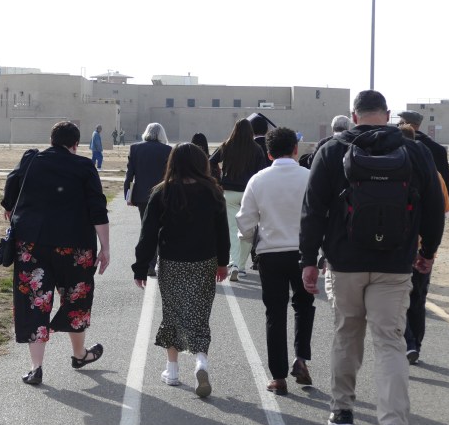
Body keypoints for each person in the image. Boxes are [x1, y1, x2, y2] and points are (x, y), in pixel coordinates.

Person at [300, 90, 445, 425]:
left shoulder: (332, 150)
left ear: (354, 114)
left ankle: (343, 410)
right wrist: (427, 252)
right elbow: (432, 208)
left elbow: (313, 209)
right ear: (388, 113)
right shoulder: (414, 151)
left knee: (347, 333)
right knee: (391, 342)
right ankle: (393, 424)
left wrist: (308, 260)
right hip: (395, 264)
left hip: (345, 262)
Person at [2, 121, 111, 386]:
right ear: (75, 144)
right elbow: (98, 209)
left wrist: (14, 216)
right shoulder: (84, 167)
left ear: (51, 140)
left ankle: (36, 368)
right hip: (76, 247)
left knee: (33, 302)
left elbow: (9, 195)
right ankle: (79, 355)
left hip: (32, 245)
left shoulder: (31, 160)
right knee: (77, 299)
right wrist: (105, 247)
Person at [132, 142, 229, 398]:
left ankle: (172, 371)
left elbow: (148, 234)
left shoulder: (162, 192)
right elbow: (222, 232)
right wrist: (223, 262)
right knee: (199, 313)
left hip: (172, 261)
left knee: (173, 313)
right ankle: (201, 362)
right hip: (204, 261)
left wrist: (141, 267)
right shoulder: (213, 192)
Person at [236, 127, 315, 395]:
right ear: (296, 149)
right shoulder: (309, 177)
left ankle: (278, 377)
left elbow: (245, 221)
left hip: (271, 253)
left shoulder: (258, 180)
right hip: (303, 253)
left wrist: (249, 239)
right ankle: (301, 357)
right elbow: (321, 216)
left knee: (275, 313)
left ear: (268, 153)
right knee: (304, 305)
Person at [398, 122, 449, 364]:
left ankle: (407, 341)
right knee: (418, 299)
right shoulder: (434, 173)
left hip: (397, 245)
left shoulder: (392, 168)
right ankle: (415, 344)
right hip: (423, 247)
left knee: (397, 298)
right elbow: (445, 212)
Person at [209, 118, 267, 281]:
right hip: (249, 193)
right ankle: (240, 265)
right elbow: (261, 173)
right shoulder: (256, 149)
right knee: (248, 230)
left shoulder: (227, 145)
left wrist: (218, 178)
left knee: (233, 229)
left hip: (230, 192)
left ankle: (235, 264)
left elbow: (211, 162)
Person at [124, 123, 173, 277]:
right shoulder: (168, 150)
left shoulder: (135, 148)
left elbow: (129, 175)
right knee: (161, 229)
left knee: (146, 228)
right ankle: (156, 262)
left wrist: (128, 195)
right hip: (163, 195)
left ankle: (146, 263)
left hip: (142, 196)